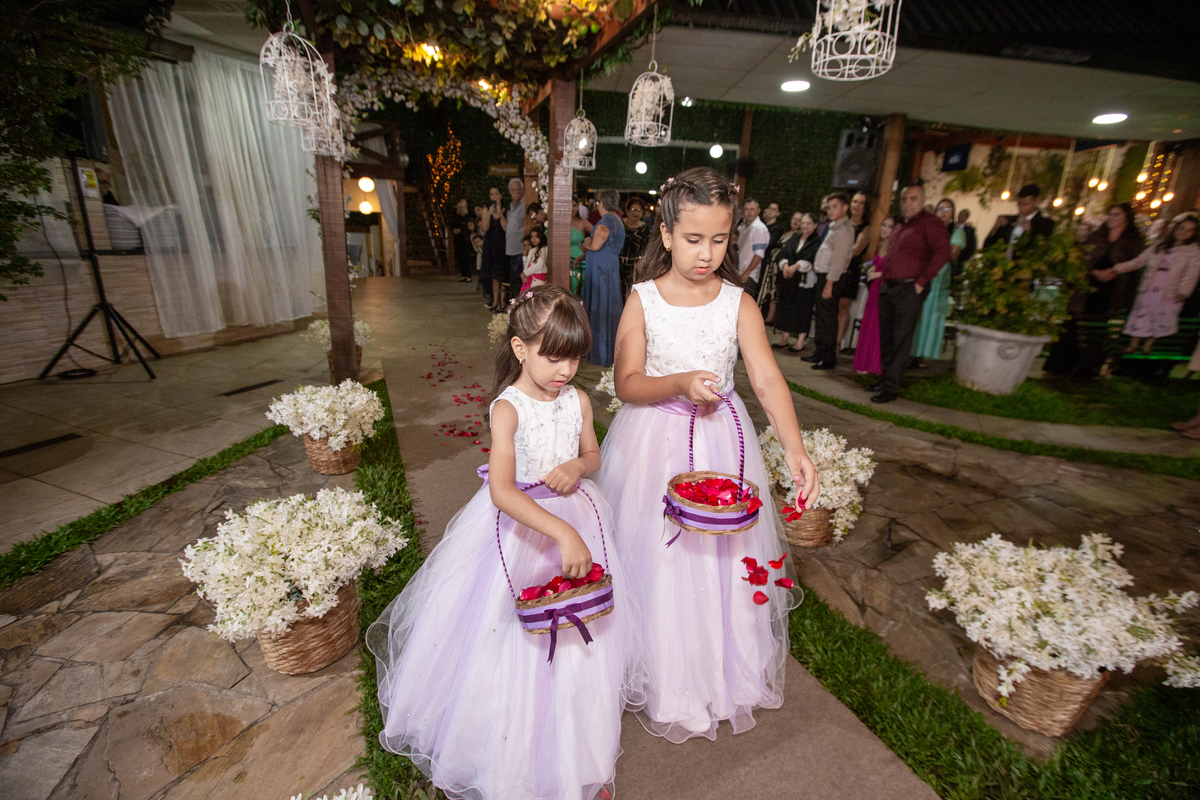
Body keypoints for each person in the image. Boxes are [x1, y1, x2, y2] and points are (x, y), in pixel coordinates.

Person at [368, 287, 640, 800]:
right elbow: (500, 489)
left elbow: (592, 455)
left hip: (579, 512)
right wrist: (560, 531)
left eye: (576, 357)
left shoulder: (577, 400)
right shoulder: (508, 409)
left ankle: (577, 753)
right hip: (523, 530)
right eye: (553, 356)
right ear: (520, 349)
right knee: (515, 639)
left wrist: (577, 467)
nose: (566, 369)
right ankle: (508, 755)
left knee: (581, 634)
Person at [596, 166, 819, 744]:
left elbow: (767, 380)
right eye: (694, 239)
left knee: (722, 555)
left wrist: (794, 448)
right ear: (667, 234)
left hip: (721, 443)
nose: (706, 253)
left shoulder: (737, 303)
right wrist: (678, 383)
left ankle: (725, 671)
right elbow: (627, 383)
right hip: (656, 446)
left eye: (719, 240)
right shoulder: (643, 300)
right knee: (664, 560)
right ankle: (672, 678)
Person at [871, 183, 951, 403]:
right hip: (889, 286)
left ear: (923, 200)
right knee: (887, 337)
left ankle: (890, 388)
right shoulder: (899, 225)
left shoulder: (931, 224)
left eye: (913, 199)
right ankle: (885, 378)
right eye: (905, 199)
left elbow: (943, 252)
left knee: (900, 338)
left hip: (909, 288)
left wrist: (921, 281)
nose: (907, 203)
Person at [1044, 203, 1145, 376]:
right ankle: (1064, 363)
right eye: (1110, 214)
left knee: (1097, 326)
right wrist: (1092, 271)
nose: (1112, 218)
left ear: (1126, 218)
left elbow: (1134, 266)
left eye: (1116, 215)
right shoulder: (1097, 236)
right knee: (1075, 321)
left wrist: (1114, 272)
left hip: (1112, 288)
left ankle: (1090, 364)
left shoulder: (1132, 241)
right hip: (1088, 285)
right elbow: (1083, 258)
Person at [1094, 212, 1200, 355]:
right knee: (1143, 311)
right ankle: (1134, 344)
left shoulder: (1193, 252)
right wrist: (1115, 269)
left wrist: (1184, 291)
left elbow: (1192, 273)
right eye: (1181, 228)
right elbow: (1138, 261)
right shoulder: (1159, 246)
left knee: (1160, 314)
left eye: (1189, 230)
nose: (1184, 233)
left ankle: (1148, 346)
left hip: (1170, 287)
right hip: (1152, 284)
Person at [910, 198, 966, 365]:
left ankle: (920, 355)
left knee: (931, 316)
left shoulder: (957, 233)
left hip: (939, 278)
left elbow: (953, 255)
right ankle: (908, 352)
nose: (944, 212)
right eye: (941, 208)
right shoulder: (928, 229)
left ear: (953, 214)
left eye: (948, 209)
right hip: (922, 273)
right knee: (916, 313)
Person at [806, 192, 854, 369]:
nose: (831, 210)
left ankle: (828, 357)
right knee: (821, 315)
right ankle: (819, 352)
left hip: (831, 278)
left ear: (844, 208)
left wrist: (830, 283)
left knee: (828, 318)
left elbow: (839, 261)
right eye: (829, 207)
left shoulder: (844, 230)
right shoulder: (834, 226)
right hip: (824, 276)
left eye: (835, 206)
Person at [581, 189, 626, 366]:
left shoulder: (605, 222)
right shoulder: (618, 221)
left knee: (599, 305)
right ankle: (608, 350)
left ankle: (600, 352)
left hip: (600, 268)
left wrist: (587, 244)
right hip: (610, 267)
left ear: (601, 204)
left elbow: (595, 245)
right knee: (608, 305)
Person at [772, 212, 822, 352]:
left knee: (803, 311)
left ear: (814, 225)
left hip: (804, 283)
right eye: (803, 223)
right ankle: (785, 337)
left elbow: (811, 259)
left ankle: (800, 341)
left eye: (808, 223)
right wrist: (785, 266)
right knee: (787, 308)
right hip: (789, 281)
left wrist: (796, 267)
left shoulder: (816, 242)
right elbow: (784, 253)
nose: (805, 226)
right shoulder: (795, 238)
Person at [852, 215, 895, 375]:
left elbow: (895, 272)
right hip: (873, 292)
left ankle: (875, 365)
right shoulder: (880, 246)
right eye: (884, 225)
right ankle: (864, 362)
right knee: (868, 325)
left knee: (878, 328)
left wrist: (878, 275)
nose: (885, 229)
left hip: (884, 292)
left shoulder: (894, 249)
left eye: (890, 226)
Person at [836, 192, 871, 349]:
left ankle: (837, 344)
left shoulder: (866, 228)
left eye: (861, 203)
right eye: (855, 201)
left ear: (865, 207)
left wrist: (838, 251)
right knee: (832, 306)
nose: (857, 205)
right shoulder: (842, 223)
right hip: (835, 269)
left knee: (843, 306)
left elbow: (856, 250)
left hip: (850, 270)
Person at [983, 183, 1055, 254]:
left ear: (1036, 202)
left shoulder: (1046, 224)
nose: (1021, 208)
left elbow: (1043, 250)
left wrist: (1030, 231)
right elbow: (987, 247)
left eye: (1026, 204)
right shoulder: (1008, 220)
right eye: (1019, 204)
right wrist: (995, 228)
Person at [736, 197, 771, 300]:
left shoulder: (760, 229)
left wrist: (747, 273)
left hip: (748, 276)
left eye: (752, 209)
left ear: (758, 211)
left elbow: (759, 254)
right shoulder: (741, 227)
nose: (749, 212)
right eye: (746, 209)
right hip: (737, 272)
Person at [481, 187, 508, 309]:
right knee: (493, 273)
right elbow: (485, 228)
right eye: (492, 194)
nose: (494, 197)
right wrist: (489, 214)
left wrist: (500, 214)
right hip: (490, 244)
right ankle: (495, 300)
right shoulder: (486, 210)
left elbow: (506, 228)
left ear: (501, 195)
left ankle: (503, 301)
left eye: (496, 194)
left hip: (502, 243)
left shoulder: (506, 210)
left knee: (502, 271)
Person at [620, 197, 652, 299]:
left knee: (632, 295)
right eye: (633, 210)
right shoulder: (620, 225)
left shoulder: (645, 230)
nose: (635, 213)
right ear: (627, 211)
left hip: (635, 268)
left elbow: (649, 249)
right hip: (618, 265)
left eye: (638, 210)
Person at [506, 178, 528, 304]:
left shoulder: (524, 204)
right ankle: (515, 305)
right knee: (513, 279)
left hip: (520, 249)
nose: (515, 192)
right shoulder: (512, 205)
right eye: (513, 190)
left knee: (518, 278)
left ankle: (519, 305)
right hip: (511, 248)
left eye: (518, 189)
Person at [450, 198, 474, 283]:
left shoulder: (468, 217)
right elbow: (452, 226)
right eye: (460, 208)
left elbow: (471, 227)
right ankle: (463, 275)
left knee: (466, 258)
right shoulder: (456, 217)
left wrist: (461, 230)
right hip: (458, 240)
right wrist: (454, 231)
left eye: (463, 207)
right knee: (459, 258)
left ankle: (468, 275)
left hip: (465, 240)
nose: (461, 210)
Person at [570, 210, 593, 295]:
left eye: (574, 206)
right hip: (563, 257)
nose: (572, 208)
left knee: (579, 283)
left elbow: (596, 233)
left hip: (579, 254)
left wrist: (586, 245)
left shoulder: (582, 222)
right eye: (570, 205)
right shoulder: (560, 222)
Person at [519, 226, 548, 294]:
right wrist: (524, 274)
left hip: (538, 280)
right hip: (529, 278)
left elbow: (539, 265)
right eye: (532, 237)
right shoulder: (532, 250)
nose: (533, 239)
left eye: (536, 237)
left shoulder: (544, 249)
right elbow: (527, 264)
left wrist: (525, 273)